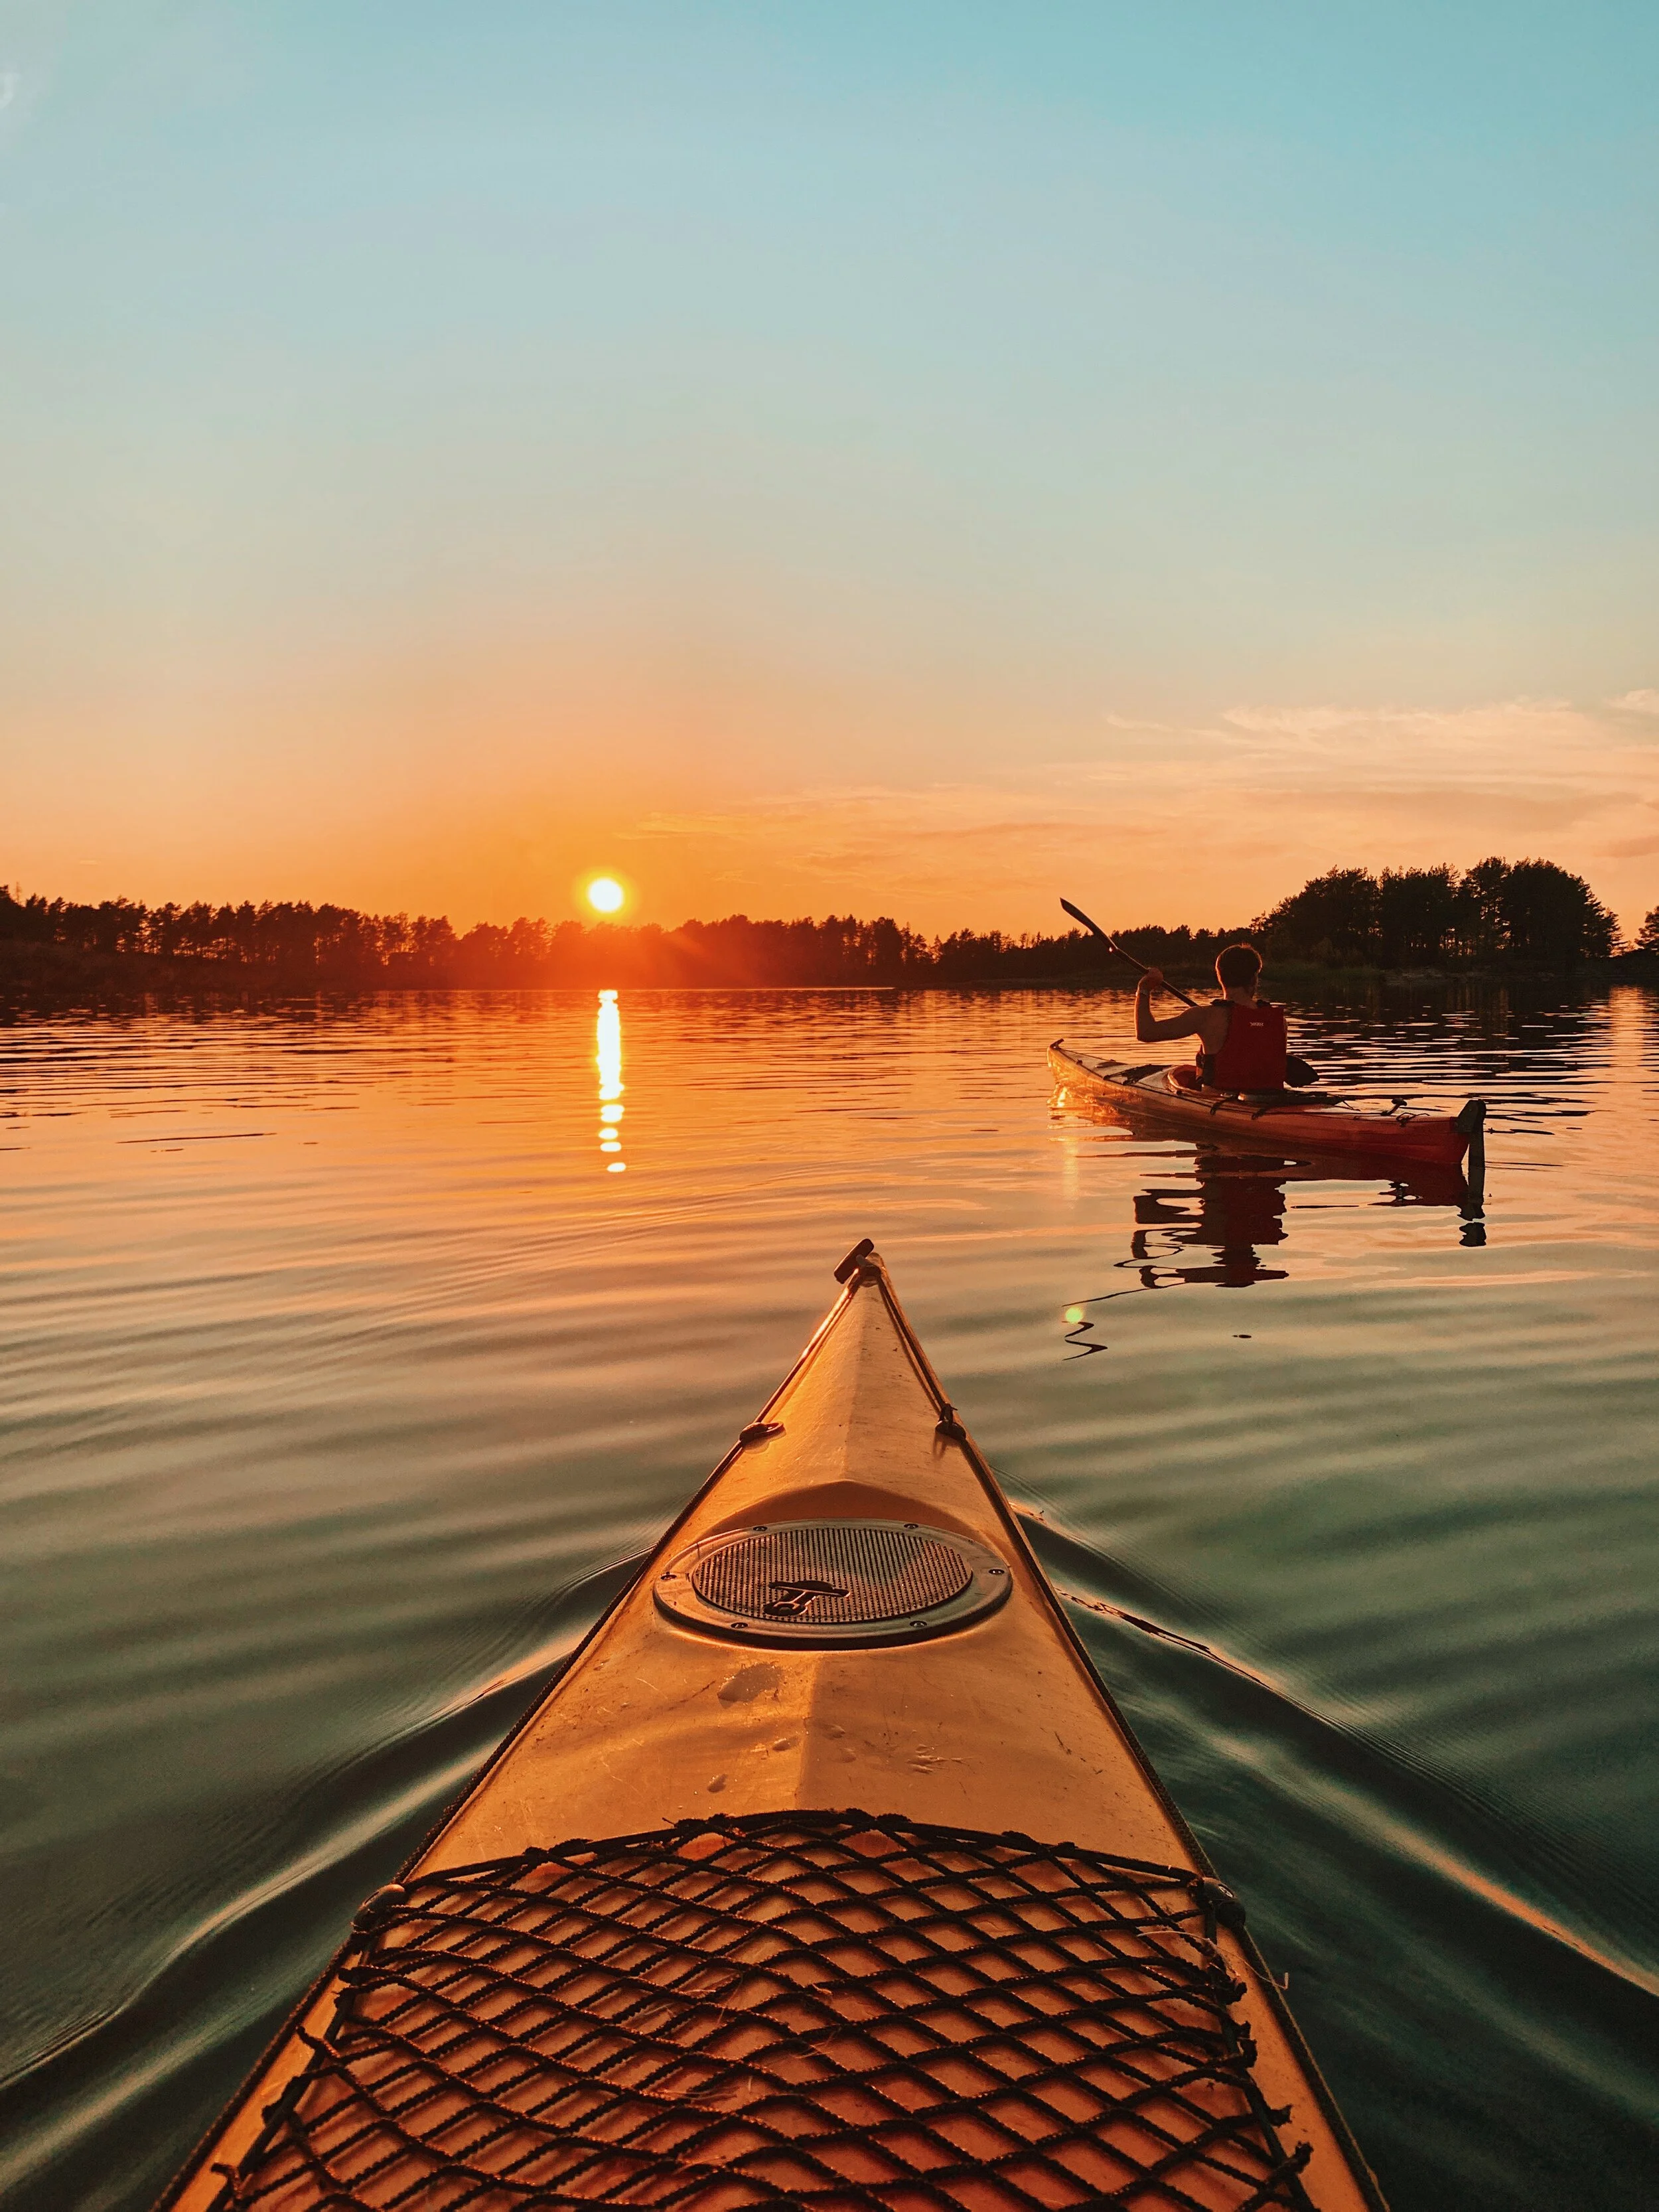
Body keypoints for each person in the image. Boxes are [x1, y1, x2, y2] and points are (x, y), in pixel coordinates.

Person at [1133, 942, 1300, 1093]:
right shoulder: (1279, 1022)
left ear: (1220, 977)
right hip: (1271, 1104)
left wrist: (1144, 989)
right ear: (1254, 978)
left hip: (1219, 1103)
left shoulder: (1204, 1017)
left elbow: (1146, 1032)